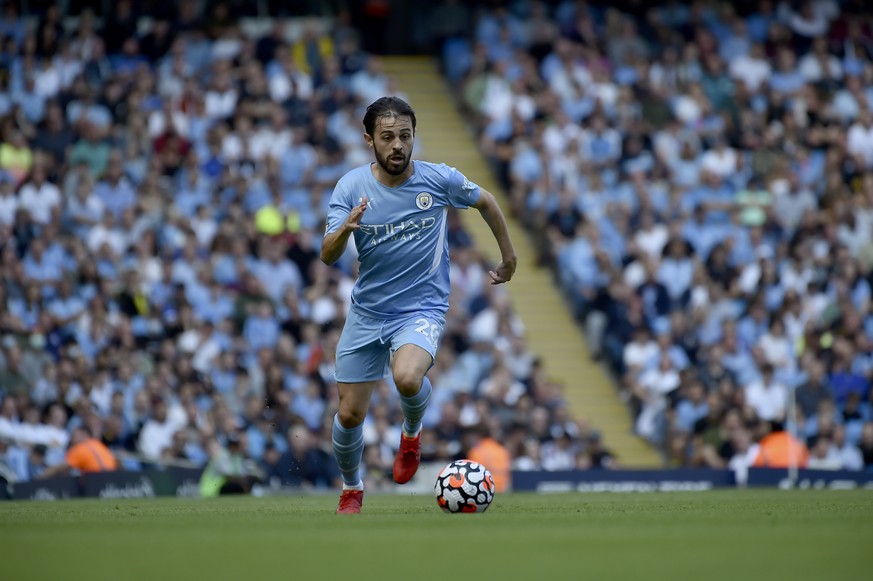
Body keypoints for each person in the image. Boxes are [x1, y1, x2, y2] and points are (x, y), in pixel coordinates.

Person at [321, 96, 517, 514]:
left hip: (421, 309)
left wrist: (509, 256)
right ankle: (352, 488)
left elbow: (487, 201)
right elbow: (326, 254)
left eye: (405, 136)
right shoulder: (351, 187)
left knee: (408, 378)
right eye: (387, 136)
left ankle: (412, 433)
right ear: (369, 139)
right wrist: (345, 231)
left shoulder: (438, 179)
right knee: (350, 416)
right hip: (367, 313)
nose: (397, 145)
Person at [39, 426, 119, 477]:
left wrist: (38, 479)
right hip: (111, 476)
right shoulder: (97, 443)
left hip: (95, 479)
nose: (72, 439)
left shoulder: (78, 448)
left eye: (75, 435)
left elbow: (59, 468)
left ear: (85, 435)